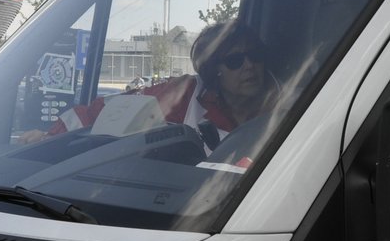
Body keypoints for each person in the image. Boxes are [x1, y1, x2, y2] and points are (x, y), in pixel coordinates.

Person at [25, 20, 280, 146]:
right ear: (214, 70)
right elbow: (107, 110)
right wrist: (50, 138)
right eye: (235, 60)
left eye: (255, 56)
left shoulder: (290, 104)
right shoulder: (184, 95)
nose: (249, 66)